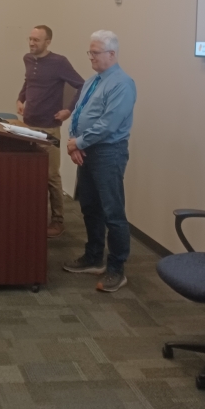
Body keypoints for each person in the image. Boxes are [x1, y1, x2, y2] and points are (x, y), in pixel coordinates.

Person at [63, 30, 137, 293]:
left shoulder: (122, 84)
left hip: (108, 153)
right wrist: (74, 142)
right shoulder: (93, 81)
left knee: (112, 213)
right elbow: (79, 113)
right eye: (90, 52)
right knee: (90, 207)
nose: (91, 57)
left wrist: (78, 143)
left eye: (95, 53)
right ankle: (94, 257)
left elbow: (109, 123)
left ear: (112, 54)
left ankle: (117, 268)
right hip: (87, 151)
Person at [16, 25, 85, 238]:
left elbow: (81, 85)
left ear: (48, 42)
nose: (31, 43)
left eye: (36, 40)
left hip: (49, 128)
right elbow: (28, 81)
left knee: (51, 176)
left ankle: (58, 221)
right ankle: (32, 215)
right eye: (30, 39)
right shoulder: (28, 59)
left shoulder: (59, 62)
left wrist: (68, 111)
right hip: (28, 124)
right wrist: (21, 98)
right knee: (28, 174)